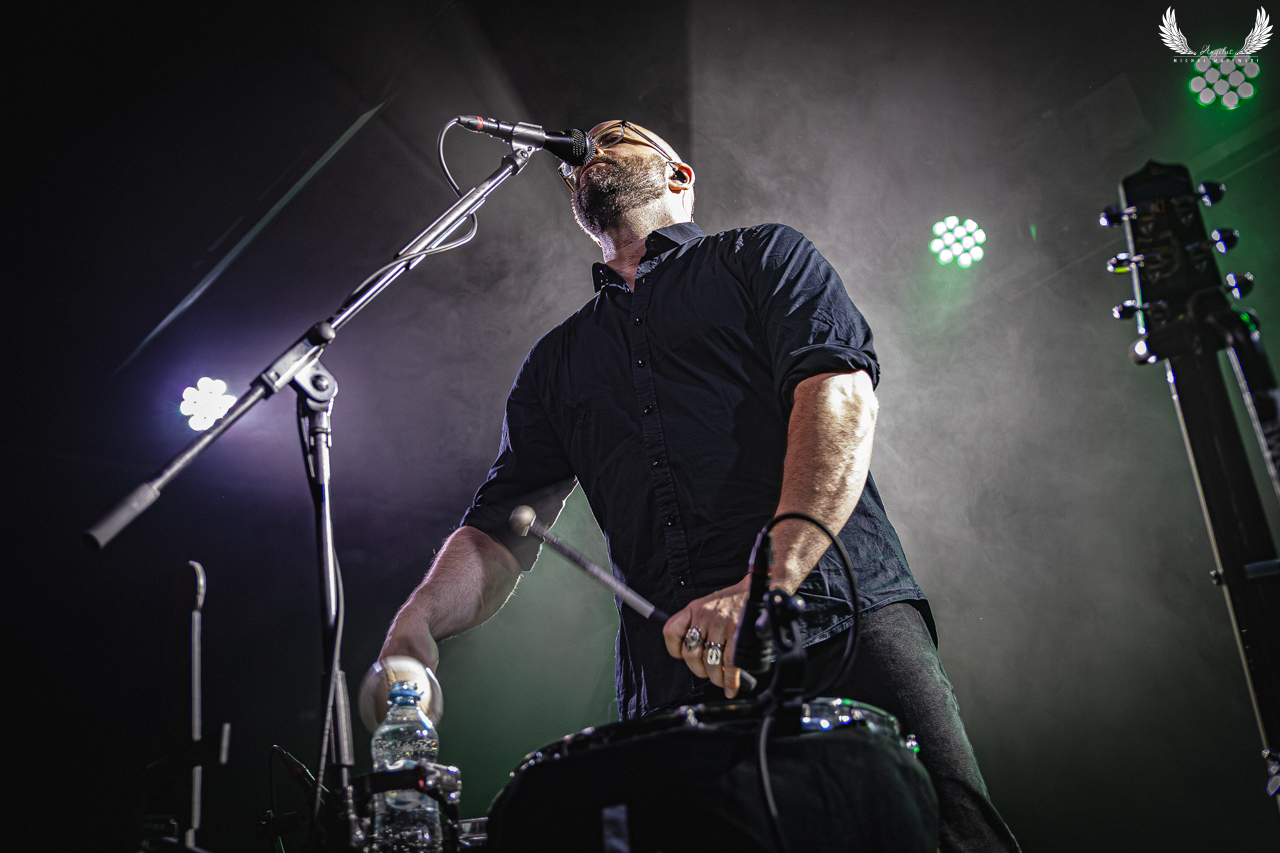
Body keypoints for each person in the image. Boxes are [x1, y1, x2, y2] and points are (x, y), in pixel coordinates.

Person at [381, 120, 1019, 851]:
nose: (591, 151)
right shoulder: (555, 362)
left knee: (950, 834)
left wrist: (767, 583)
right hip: (677, 680)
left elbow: (839, 396)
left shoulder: (764, 255)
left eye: (617, 136)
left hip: (837, 624)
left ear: (679, 175)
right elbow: (499, 529)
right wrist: (418, 619)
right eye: (585, 153)